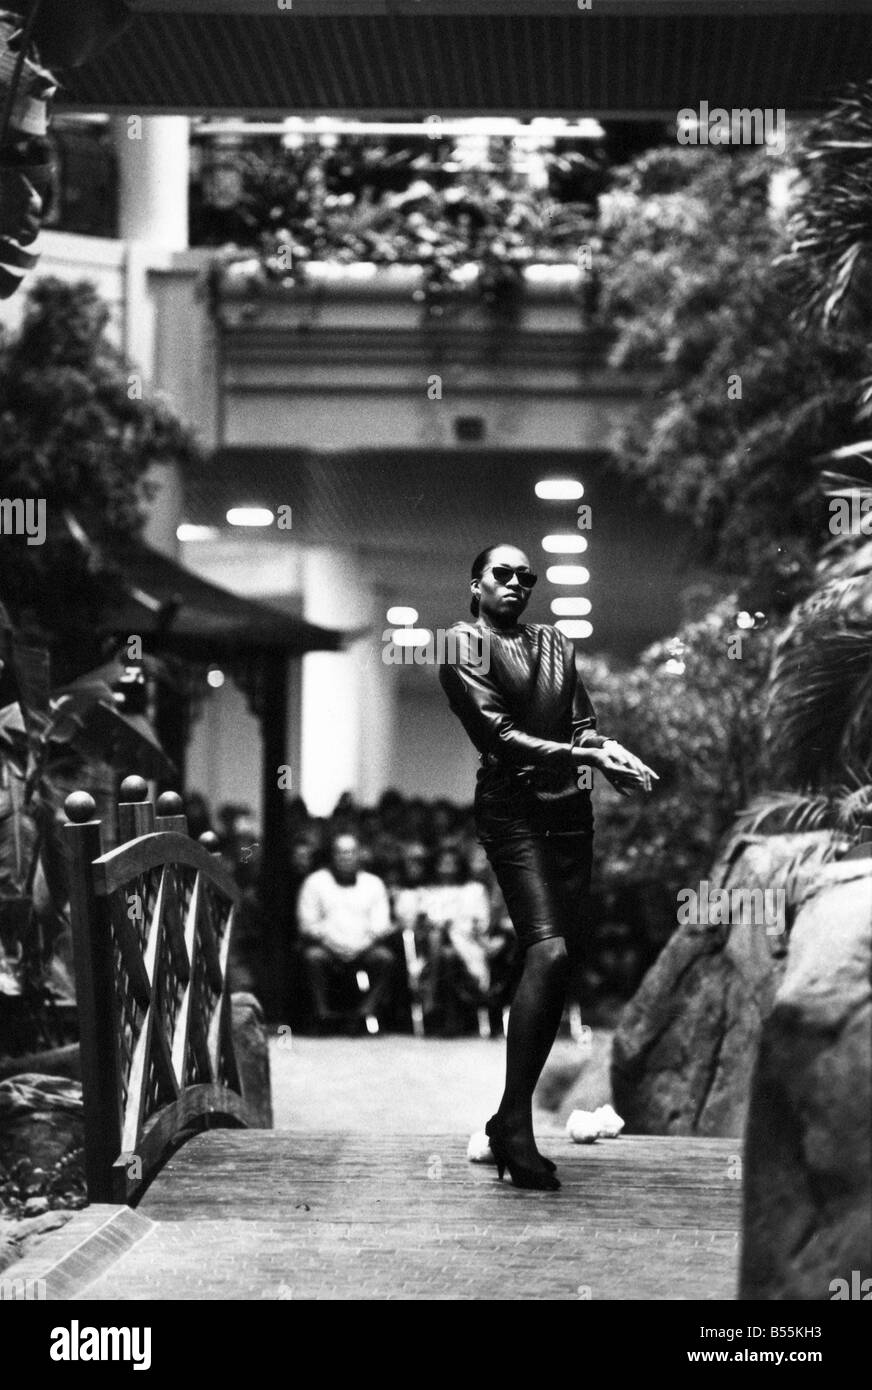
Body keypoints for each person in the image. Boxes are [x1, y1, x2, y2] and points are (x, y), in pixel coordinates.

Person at [438, 542, 657, 1190]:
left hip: (570, 819)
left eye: (525, 578)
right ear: (475, 583)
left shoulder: (556, 645)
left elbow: (582, 722)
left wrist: (607, 751)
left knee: (554, 967)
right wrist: (586, 757)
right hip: (514, 815)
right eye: (501, 574)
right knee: (550, 954)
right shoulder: (460, 645)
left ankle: (510, 1121)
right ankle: (516, 1123)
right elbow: (499, 738)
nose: (515, 584)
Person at [297, 831, 398, 1033]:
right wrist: (335, 945)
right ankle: (323, 1016)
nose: (346, 857)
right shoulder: (315, 882)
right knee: (312, 957)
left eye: (351, 852)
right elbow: (307, 924)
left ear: (359, 854)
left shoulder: (373, 884)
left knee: (385, 958)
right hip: (327, 948)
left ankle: (363, 1014)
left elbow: (381, 925)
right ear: (332, 855)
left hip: (364, 949)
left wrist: (358, 947)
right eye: (340, 852)